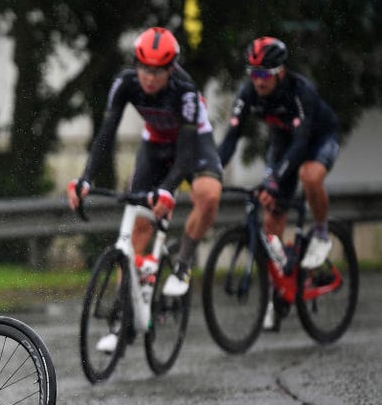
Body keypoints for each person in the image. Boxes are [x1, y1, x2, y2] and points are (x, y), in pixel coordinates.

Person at [67, 27, 223, 351]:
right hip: (154, 146)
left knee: (208, 195)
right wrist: (85, 178)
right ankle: (123, 321)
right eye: (143, 68)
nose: (148, 77)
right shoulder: (125, 83)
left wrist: (167, 189)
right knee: (138, 228)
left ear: (170, 68)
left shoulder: (186, 91)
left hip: (191, 145)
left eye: (157, 71)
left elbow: (186, 154)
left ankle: (183, 262)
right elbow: (106, 133)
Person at [218, 36, 339, 272]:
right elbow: (232, 136)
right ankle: (279, 282)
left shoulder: (300, 92)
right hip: (283, 143)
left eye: (264, 75)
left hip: (317, 139)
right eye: (253, 74)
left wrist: (274, 180)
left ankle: (322, 233)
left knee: (309, 175)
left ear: (280, 72)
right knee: (272, 212)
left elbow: (301, 144)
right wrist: (212, 169)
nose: (258, 82)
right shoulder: (248, 92)